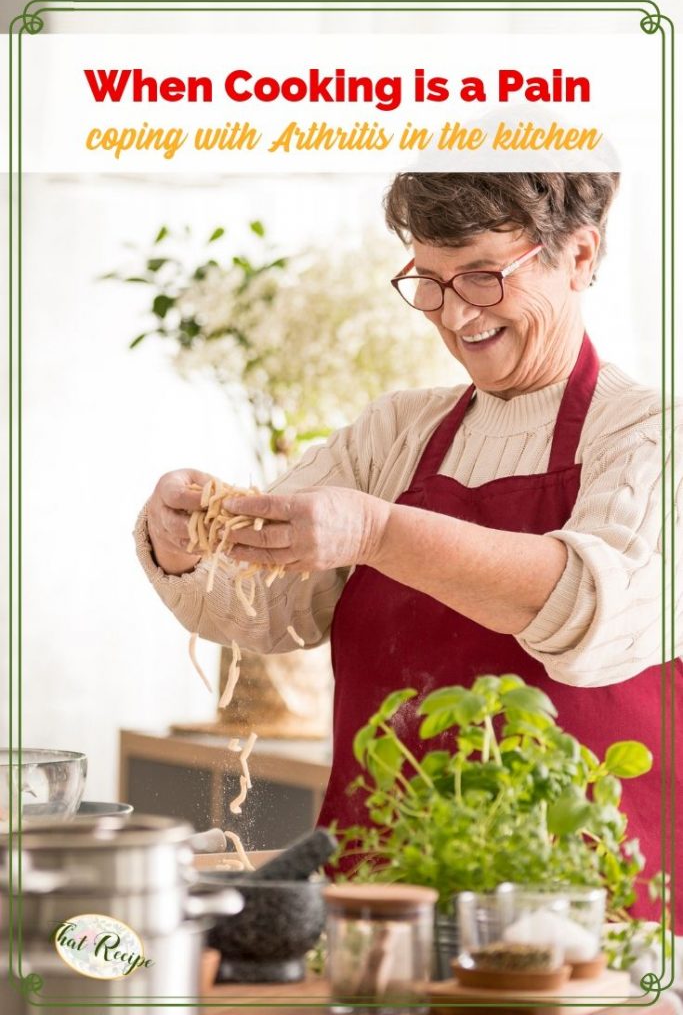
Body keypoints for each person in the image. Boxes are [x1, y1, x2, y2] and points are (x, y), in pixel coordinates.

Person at [135, 172, 681, 919]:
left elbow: (591, 613)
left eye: (484, 277)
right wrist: (188, 542)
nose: (455, 314)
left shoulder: (650, 434)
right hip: (384, 901)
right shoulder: (395, 432)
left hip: (585, 921)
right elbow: (265, 611)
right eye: (428, 280)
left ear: (579, 256)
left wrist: (379, 531)